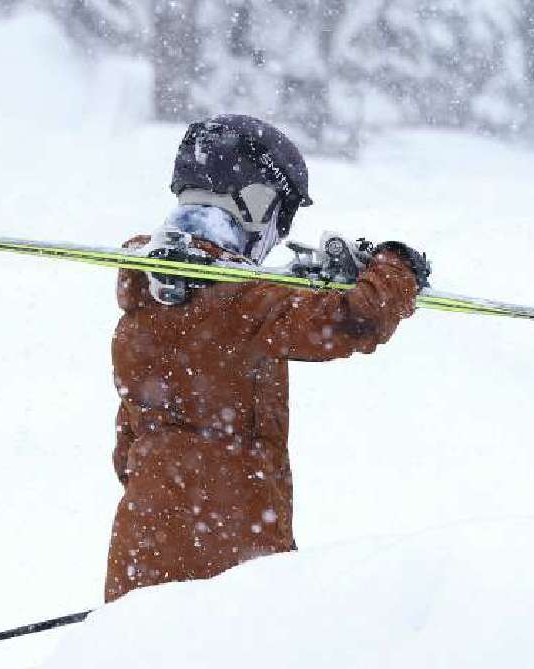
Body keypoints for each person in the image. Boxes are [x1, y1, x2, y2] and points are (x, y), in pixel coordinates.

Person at [105, 114, 430, 602]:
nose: (276, 237)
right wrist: (396, 270)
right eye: (282, 218)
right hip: (232, 550)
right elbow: (352, 320)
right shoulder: (244, 300)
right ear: (255, 204)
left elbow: (126, 448)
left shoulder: (145, 299)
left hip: (142, 542)